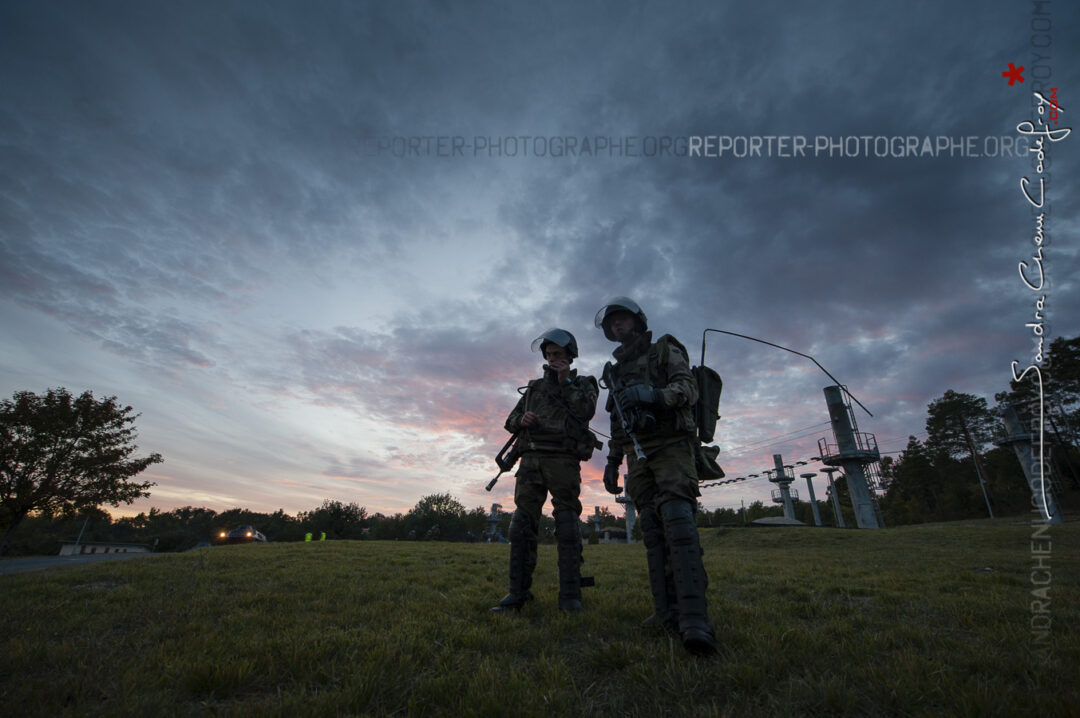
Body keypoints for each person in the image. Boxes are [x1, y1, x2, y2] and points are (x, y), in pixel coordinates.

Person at [595, 297, 718, 655]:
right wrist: (612, 462)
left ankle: (695, 619)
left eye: (623, 320)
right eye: (612, 323)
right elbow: (618, 420)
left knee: (679, 527)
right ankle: (665, 612)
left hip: (672, 447)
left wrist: (653, 394)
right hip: (638, 456)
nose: (618, 326)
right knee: (651, 530)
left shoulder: (664, 348)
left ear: (636, 321)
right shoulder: (616, 371)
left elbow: (687, 389)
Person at [491, 328, 599, 613]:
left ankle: (571, 596)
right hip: (530, 461)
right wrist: (522, 419)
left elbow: (586, 412)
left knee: (566, 524)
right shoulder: (535, 388)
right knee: (521, 524)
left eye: (559, 355)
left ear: (570, 356)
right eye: (549, 354)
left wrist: (565, 383)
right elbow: (511, 420)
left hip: (562, 460)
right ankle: (518, 593)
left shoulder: (584, 383)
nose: (553, 359)